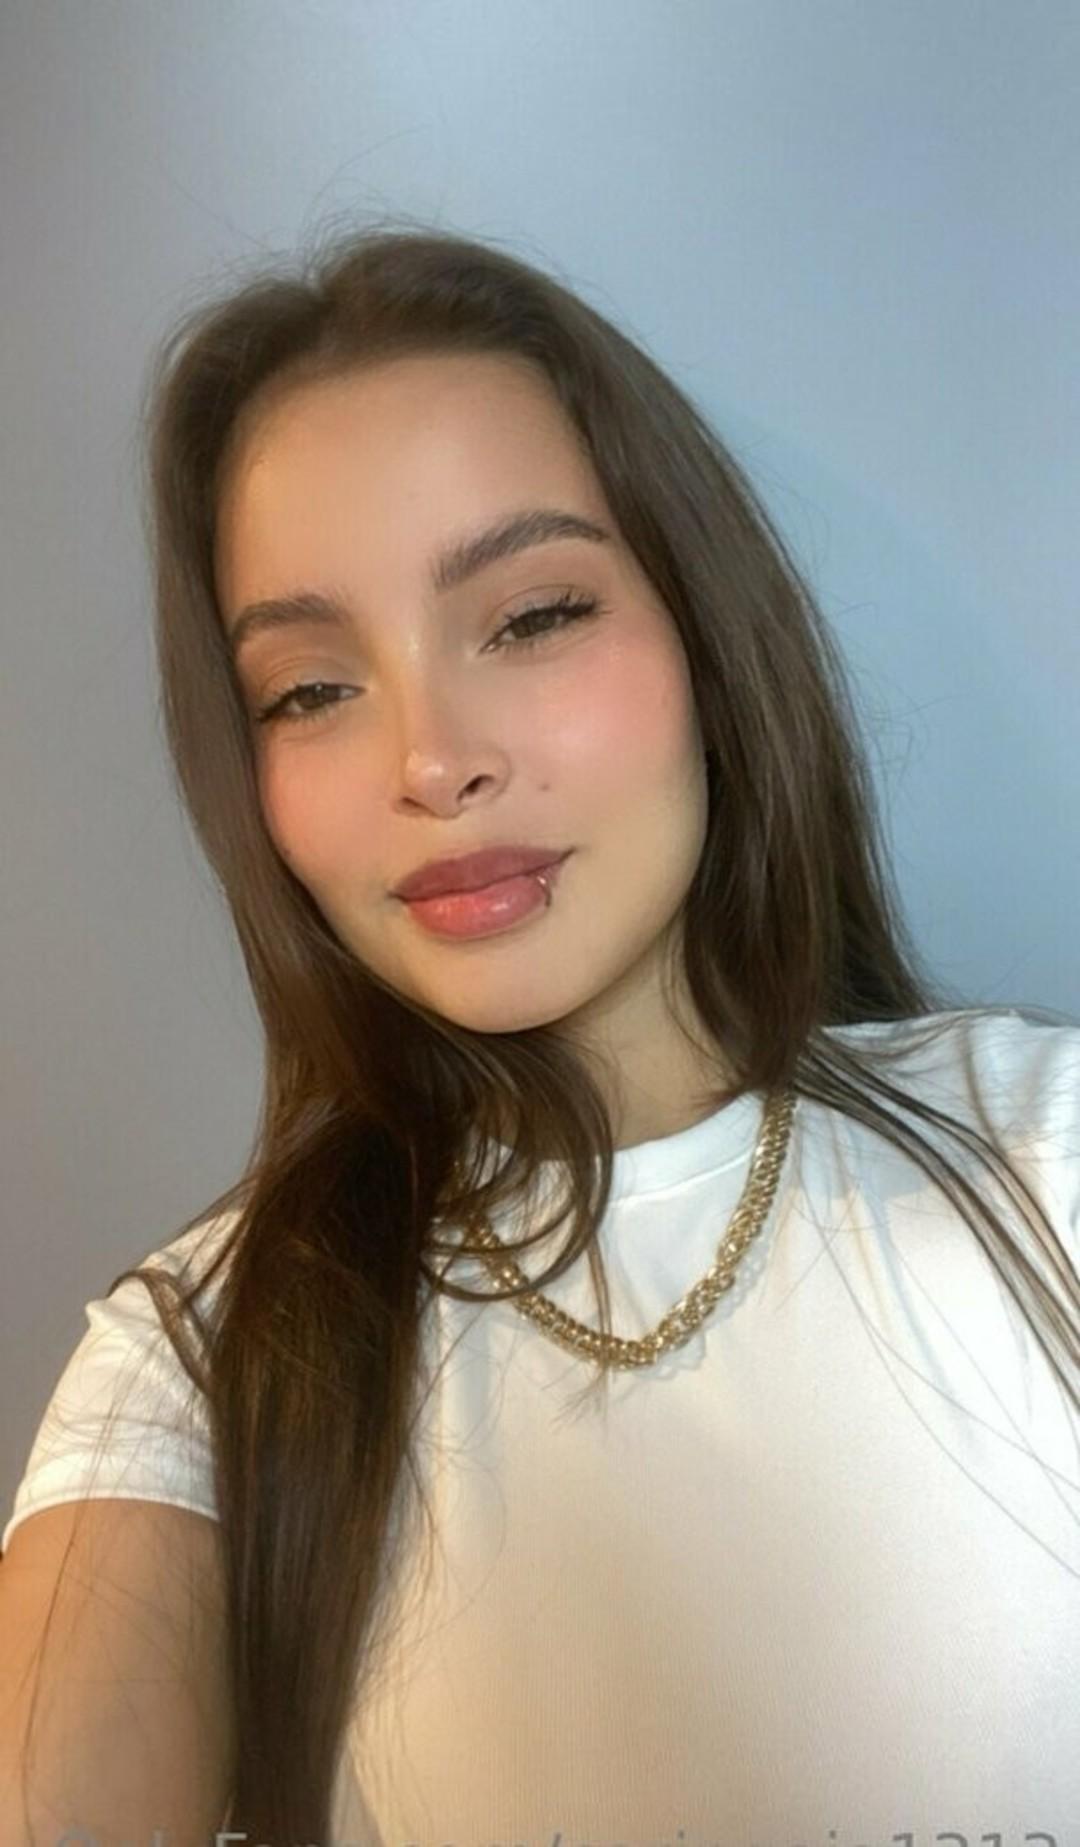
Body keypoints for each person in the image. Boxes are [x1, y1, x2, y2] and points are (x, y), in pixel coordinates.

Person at [1, 217, 1077, 1847]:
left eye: (531, 616)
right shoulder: (206, 1358)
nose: (431, 760)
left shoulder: (1046, 1160)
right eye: (309, 690)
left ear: (705, 634)